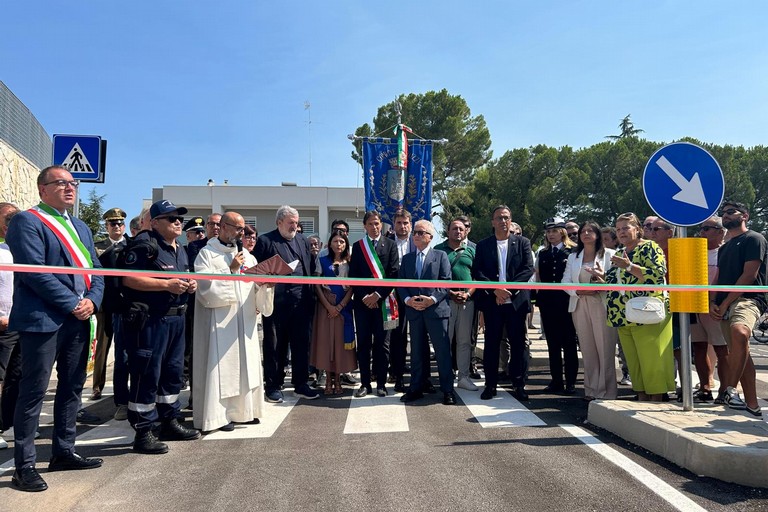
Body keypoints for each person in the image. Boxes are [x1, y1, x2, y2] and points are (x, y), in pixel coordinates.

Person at [6, 166, 105, 492]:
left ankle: (64, 450)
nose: (69, 188)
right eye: (60, 183)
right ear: (42, 189)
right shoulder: (27, 221)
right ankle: (25, 465)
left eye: (72, 183)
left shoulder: (80, 226)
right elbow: (34, 272)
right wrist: (72, 303)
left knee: (72, 387)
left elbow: (97, 269)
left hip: (78, 320)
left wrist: (92, 299)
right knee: (33, 392)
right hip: (43, 321)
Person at [121, 199, 201, 454]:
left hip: (177, 320)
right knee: (147, 375)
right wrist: (165, 285)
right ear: (155, 223)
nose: (178, 222)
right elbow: (128, 278)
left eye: (179, 218)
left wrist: (191, 285)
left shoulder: (180, 249)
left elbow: (184, 276)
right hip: (152, 321)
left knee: (172, 374)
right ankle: (143, 431)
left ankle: (169, 420)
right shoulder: (146, 246)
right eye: (171, 218)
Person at [192, 211, 273, 433]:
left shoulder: (249, 256)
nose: (241, 233)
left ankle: (245, 412)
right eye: (238, 229)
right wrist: (231, 270)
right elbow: (205, 290)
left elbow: (253, 288)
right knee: (223, 369)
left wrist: (265, 286)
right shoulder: (207, 254)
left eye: (243, 229)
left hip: (245, 320)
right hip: (220, 324)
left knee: (247, 367)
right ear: (224, 227)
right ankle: (220, 415)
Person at [603, 212, 674, 402]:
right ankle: (642, 397)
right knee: (634, 362)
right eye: (618, 229)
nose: (621, 232)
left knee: (652, 359)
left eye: (626, 228)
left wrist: (629, 266)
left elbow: (657, 276)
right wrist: (599, 276)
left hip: (647, 312)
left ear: (638, 229)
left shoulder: (650, 247)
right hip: (623, 314)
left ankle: (657, 400)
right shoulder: (620, 252)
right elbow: (613, 280)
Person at [254, 205, 319, 402]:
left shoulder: (302, 240)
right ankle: (273, 385)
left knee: (301, 345)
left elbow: (310, 267)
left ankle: (301, 383)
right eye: (291, 223)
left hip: (301, 303)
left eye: (296, 223)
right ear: (279, 222)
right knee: (275, 346)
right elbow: (255, 270)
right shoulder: (266, 241)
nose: (294, 226)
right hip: (276, 303)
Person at [472, 205, 534, 401]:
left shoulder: (523, 242)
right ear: (493, 222)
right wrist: (495, 290)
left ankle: (519, 384)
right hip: (493, 303)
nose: (503, 221)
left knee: (518, 345)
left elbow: (527, 269)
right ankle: (490, 385)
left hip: (516, 302)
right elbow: (478, 272)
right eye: (499, 218)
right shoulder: (483, 245)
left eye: (506, 217)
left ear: (511, 220)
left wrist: (509, 290)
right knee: (491, 345)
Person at [710, 201, 766, 417]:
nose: (725, 215)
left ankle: (728, 388)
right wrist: (714, 302)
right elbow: (718, 279)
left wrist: (724, 303)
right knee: (741, 352)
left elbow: (748, 276)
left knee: (740, 333)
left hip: (748, 299)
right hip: (724, 304)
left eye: (731, 212)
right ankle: (753, 406)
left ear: (745, 216)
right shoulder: (724, 247)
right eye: (723, 213)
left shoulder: (754, 238)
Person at [399, 220, 456, 406]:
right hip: (415, 312)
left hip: (436, 311)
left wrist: (431, 300)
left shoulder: (440, 256)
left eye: (420, 232)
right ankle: (416, 387)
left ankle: (447, 389)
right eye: (415, 232)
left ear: (430, 237)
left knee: (442, 352)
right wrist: (409, 301)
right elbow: (401, 284)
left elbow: (446, 282)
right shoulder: (407, 259)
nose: (416, 235)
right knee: (416, 352)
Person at [562, 221, 618, 400]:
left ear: (598, 234)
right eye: (583, 231)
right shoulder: (573, 257)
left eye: (590, 231)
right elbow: (565, 282)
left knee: (605, 348)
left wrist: (602, 283)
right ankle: (591, 389)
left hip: (601, 303)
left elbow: (616, 280)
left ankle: (607, 391)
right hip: (579, 303)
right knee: (587, 349)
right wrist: (578, 291)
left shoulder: (610, 255)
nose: (585, 233)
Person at [348, 210, 400, 398]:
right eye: (370, 224)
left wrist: (377, 295)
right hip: (362, 305)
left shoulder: (391, 245)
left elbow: (394, 274)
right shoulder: (358, 246)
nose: (374, 227)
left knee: (383, 345)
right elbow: (354, 276)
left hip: (383, 303)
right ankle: (365, 384)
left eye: (377, 223)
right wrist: (364, 297)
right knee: (363, 344)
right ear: (365, 226)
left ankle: (381, 383)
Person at [310, 230, 357, 394]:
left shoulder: (351, 263)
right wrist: (329, 306)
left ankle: (338, 380)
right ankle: (328, 380)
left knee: (339, 345)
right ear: (330, 243)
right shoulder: (322, 261)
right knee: (326, 343)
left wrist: (340, 306)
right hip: (325, 307)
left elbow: (352, 287)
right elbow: (316, 284)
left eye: (342, 242)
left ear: (346, 245)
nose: (339, 244)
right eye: (336, 241)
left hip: (343, 308)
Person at [536, 217, 579, 394]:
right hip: (548, 305)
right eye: (548, 231)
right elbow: (540, 278)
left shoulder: (573, 252)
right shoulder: (543, 253)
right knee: (552, 345)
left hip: (567, 303)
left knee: (569, 344)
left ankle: (570, 382)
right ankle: (556, 381)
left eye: (554, 231)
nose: (551, 234)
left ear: (562, 232)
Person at [435, 219, 478, 392]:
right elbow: (435, 278)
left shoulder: (472, 250)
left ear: (466, 231)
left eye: (461, 229)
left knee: (464, 341)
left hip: (468, 301)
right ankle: (446, 377)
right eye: (454, 228)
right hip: (446, 301)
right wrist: (451, 293)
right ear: (447, 230)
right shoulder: (438, 250)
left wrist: (467, 293)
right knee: (446, 341)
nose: (458, 231)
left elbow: (477, 278)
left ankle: (464, 377)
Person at [91, 207, 128, 402]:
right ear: (106, 226)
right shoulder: (98, 247)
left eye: (120, 223)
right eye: (113, 223)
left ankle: (122, 391)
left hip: (125, 304)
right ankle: (97, 386)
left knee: (124, 352)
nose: (117, 226)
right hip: (105, 304)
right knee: (102, 348)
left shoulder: (131, 245)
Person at [696, 217, 729, 403]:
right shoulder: (696, 251)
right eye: (701, 228)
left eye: (707, 228)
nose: (702, 232)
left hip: (715, 307)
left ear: (720, 231)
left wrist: (717, 302)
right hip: (695, 305)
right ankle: (705, 387)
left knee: (721, 349)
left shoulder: (725, 252)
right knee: (699, 347)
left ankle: (725, 390)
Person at [388, 209, 416, 392]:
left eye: (406, 223)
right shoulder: (387, 243)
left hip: (415, 295)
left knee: (418, 335)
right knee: (396, 335)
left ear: (411, 225)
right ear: (393, 225)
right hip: (393, 295)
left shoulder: (418, 242)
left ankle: (423, 377)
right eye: (399, 223)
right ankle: (397, 375)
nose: (402, 226)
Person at [0, 202, 20, 450]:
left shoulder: (20, 251)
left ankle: (9, 423)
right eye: (8, 219)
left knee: (18, 377)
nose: (13, 224)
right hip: (2, 324)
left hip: (21, 324)